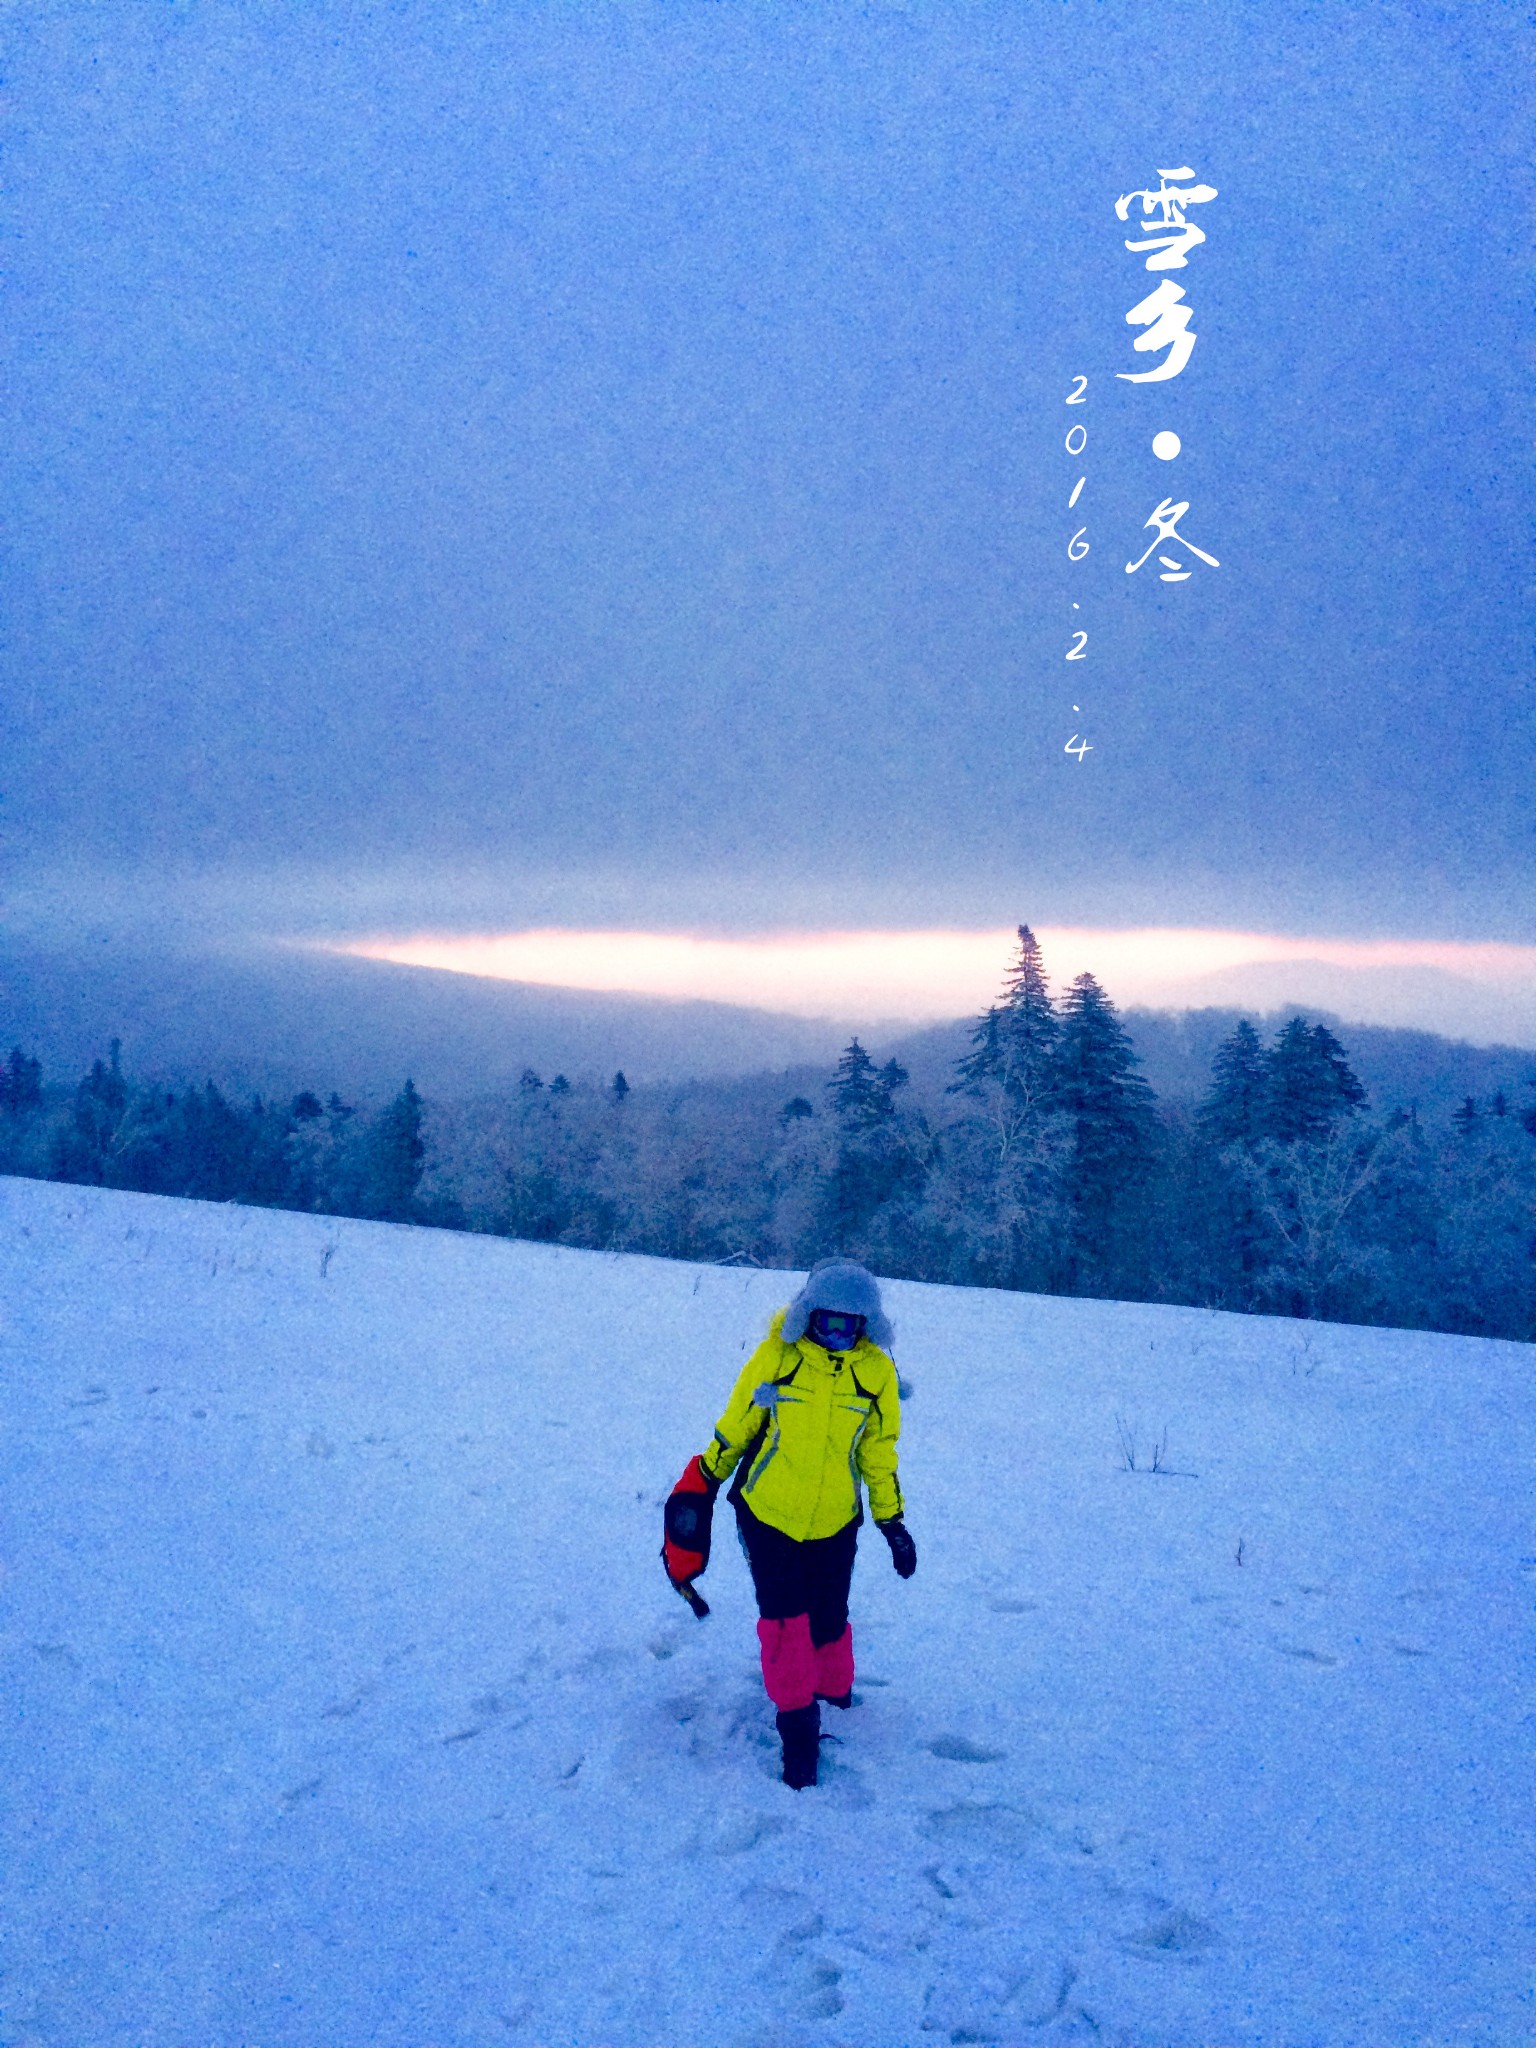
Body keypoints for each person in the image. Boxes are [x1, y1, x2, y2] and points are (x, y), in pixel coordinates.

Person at [662, 1258, 917, 1789]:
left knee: (828, 1619)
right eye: (827, 1321)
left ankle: (834, 1698)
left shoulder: (876, 1374)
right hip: (767, 1515)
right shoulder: (778, 1359)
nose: (837, 1334)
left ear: (867, 1325)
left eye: (850, 1324)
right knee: (785, 1622)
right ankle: (798, 1730)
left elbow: (879, 1453)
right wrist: (706, 1477)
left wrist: (891, 1522)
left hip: (835, 1522)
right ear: (808, 1316)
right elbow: (737, 1425)